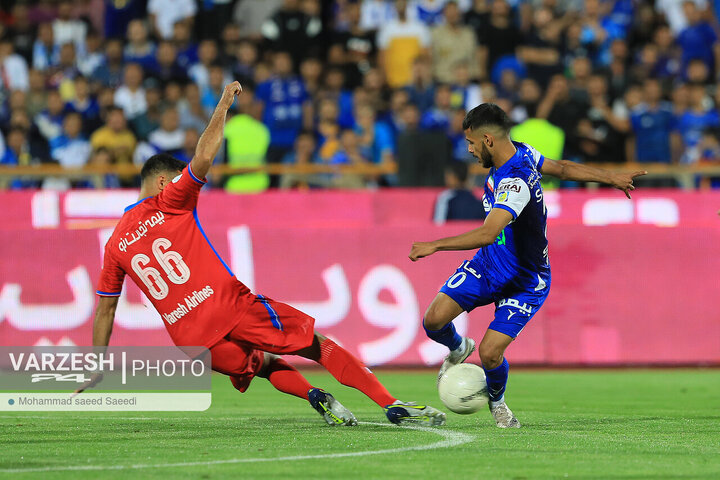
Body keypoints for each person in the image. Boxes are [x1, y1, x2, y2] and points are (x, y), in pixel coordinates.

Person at [80, 82, 445, 428]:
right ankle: (391, 403)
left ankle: (317, 396)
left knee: (265, 364)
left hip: (190, 339)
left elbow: (106, 309)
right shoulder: (170, 200)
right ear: (163, 182)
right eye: (176, 179)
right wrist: (223, 106)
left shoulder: (115, 244)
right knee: (319, 345)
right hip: (228, 307)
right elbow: (204, 155)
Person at [408, 103, 646, 428]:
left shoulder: (514, 184)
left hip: (524, 280)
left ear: (488, 140)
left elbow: (488, 233)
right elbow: (561, 168)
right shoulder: (522, 151)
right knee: (433, 321)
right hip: (490, 266)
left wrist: (435, 245)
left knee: (491, 353)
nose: (469, 150)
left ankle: (497, 402)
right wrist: (611, 178)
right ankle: (458, 346)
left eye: (471, 143)